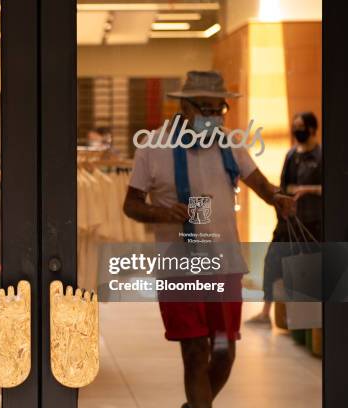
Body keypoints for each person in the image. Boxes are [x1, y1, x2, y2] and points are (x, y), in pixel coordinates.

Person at [123, 71, 295, 408]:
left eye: (220, 110)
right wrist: (162, 213)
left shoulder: (230, 144)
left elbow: (261, 185)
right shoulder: (152, 148)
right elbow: (130, 205)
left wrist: (279, 197)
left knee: (224, 353)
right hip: (179, 266)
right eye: (207, 109)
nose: (214, 118)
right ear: (185, 107)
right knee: (194, 351)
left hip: (224, 264)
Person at [247, 112, 322, 325]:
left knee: (308, 269)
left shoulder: (321, 156)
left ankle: (310, 319)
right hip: (288, 221)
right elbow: (282, 187)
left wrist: (308, 189)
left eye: (301, 127)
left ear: (312, 129)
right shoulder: (291, 155)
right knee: (272, 262)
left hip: (313, 221)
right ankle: (265, 312)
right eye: (295, 126)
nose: (297, 130)